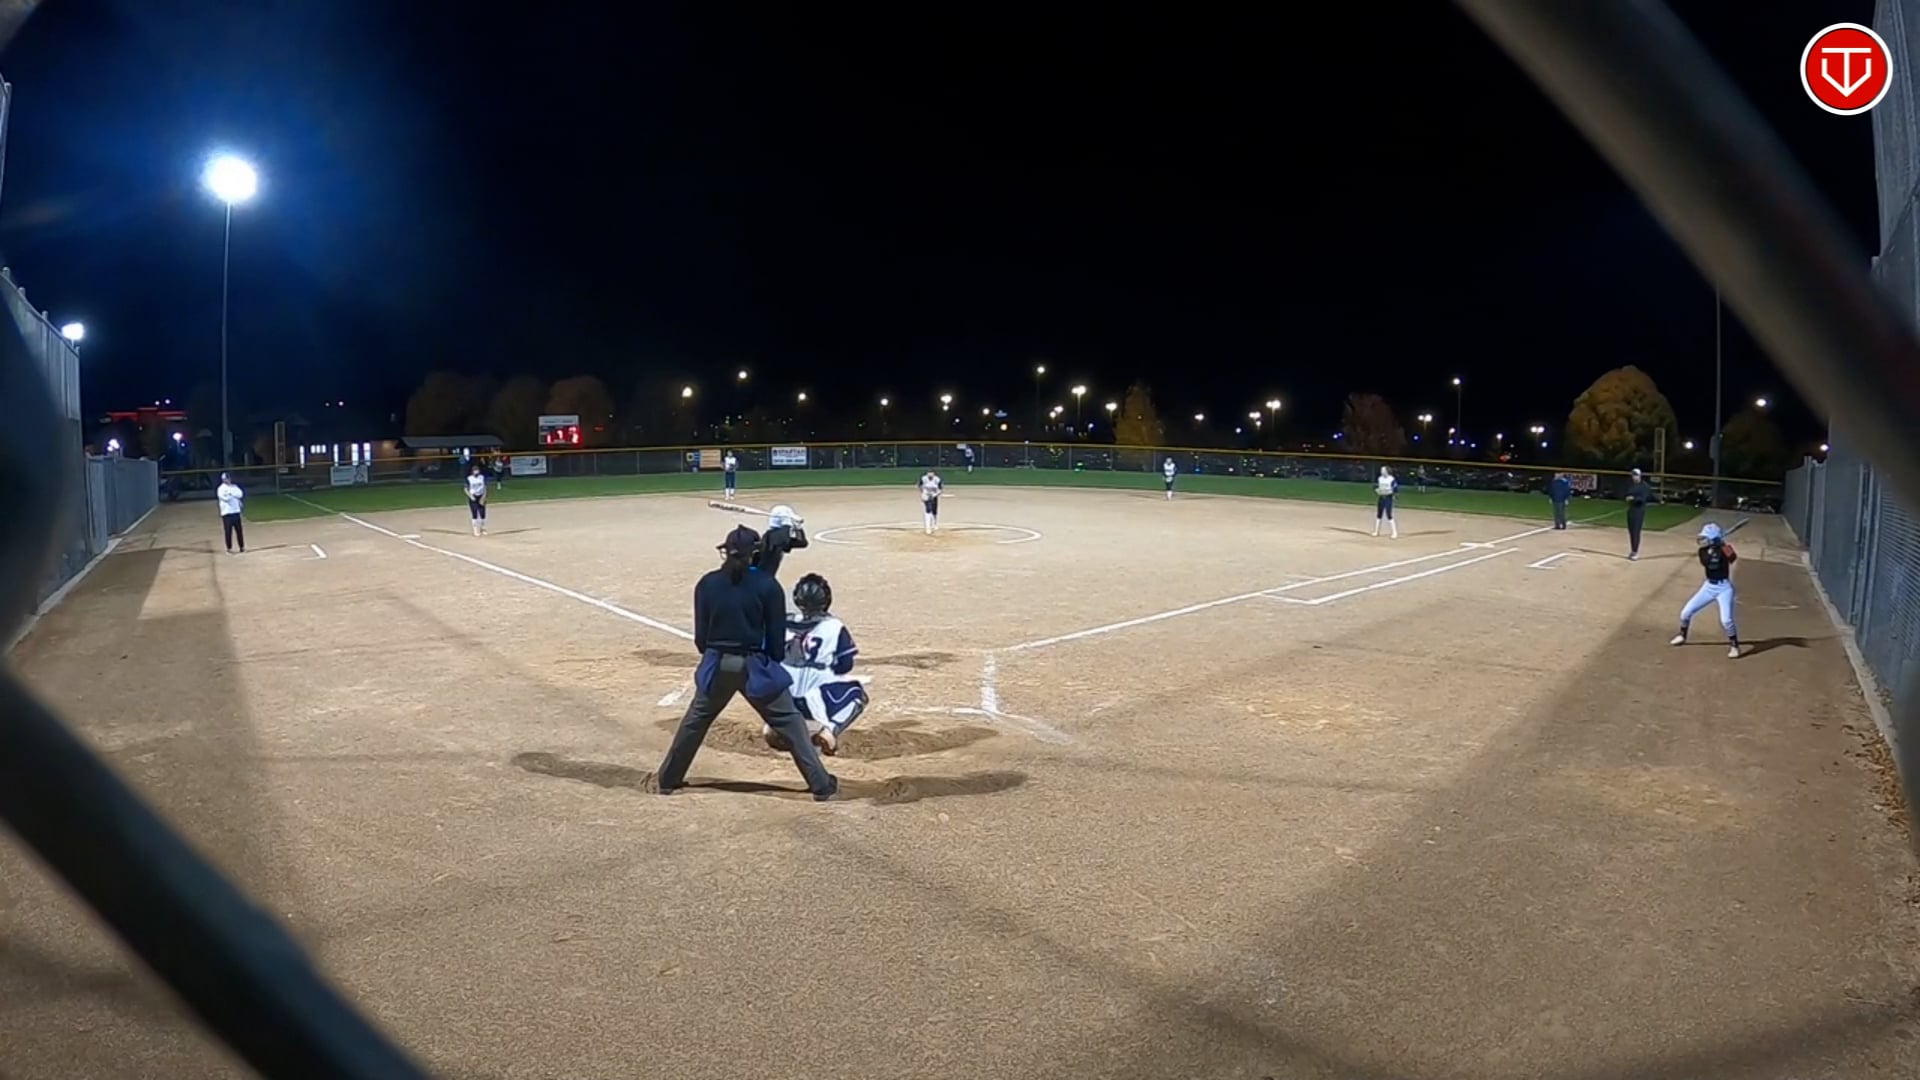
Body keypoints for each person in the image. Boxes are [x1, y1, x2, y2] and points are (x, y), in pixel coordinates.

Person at [657, 526, 838, 800]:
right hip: (755, 666)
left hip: (716, 664)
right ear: (754, 554)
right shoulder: (768, 586)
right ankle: (821, 785)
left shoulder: (707, 583)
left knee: (695, 721)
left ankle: (668, 779)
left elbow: (701, 639)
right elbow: (775, 640)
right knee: (790, 722)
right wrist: (769, 665)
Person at [763, 573, 869, 756]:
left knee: (770, 676)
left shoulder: (782, 621)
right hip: (814, 699)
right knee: (858, 694)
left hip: (782, 696)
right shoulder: (834, 626)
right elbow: (845, 665)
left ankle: (772, 725)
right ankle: (830, 731)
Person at [1671, 522, 1742, 658]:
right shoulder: (1703, 551)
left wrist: (1723, 546)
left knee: (1726, 620)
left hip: (1724, 589)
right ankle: (1682, 635)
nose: (1702, 540)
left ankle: (1735, 646)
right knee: (1686, 612)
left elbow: (1733, 558)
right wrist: (1715, 550)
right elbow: (1710, 564)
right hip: (1708, 587)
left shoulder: (1724, 549)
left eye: (1706, 537)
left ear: (1713, 539)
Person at [753, 504, 808, 581]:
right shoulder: (772, 536)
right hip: (758, 578)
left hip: (766, 577)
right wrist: (787, 523)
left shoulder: (778, 538)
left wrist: (798, 527)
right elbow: (783, 536)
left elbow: (802, 543)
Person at [1624, 467, 1652, 560]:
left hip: (1639, 510)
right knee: (1631, 531)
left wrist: (1633, 498)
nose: (1634, 477)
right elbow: (1626, 494)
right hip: (1631, 509)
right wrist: (1627, 497)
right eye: (1633, 475)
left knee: (1636, 531)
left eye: (1636, 475)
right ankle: (1633, 550)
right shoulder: (1631, 485)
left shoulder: (1644, 486)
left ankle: (1635, 552)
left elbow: (1643, 499)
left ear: (1640, 476)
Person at [215, 472, 246, 555]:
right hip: (227, 513)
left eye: (228, 478)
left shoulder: (234, 486)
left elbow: (240, 494)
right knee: (228, 531)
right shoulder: (221, 488)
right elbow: (225, 498)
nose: (227, 480)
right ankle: (229, 548)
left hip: (236, 511)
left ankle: (242, 547)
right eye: (225, 478)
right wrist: (233, 495)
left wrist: (231, 494)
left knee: (239, 531)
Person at [1372, 465, 1399, 539]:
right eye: (1381, 470)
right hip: (1381, 497)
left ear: (1387, 471)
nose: (1381, 471)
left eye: (1383, 470)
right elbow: (1375, 486)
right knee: (1379, 514)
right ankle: (1376, 531)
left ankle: (1394, 532)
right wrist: (1376, 490)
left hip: (1388, 498)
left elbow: (1395, 488)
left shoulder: (1391, 479)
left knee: (1389, 514)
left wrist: (1394, 495)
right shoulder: (1380, 478)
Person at [465, 463, 490, 536]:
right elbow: (465, 489)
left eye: (477, 470)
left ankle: (483, 528)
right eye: (475, 470)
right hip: (473, 496)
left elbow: (485, 487)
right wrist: (470, 496)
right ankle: (475, 529)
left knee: (483, 513)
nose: (476, 471)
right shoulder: (469, 478)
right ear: (472, 471)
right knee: (474, 513)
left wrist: (484, 497)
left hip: (481, 496)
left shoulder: (482, 477)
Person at [919, 469, 944, 534]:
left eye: (931, 473)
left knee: (934, 511)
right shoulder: (923, 478)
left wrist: (935, 495)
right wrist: (923, 493)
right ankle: (928, 527)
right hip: (926, 495)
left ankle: (935, 523)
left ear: (934, 474)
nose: (930, 474)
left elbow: (941, 490)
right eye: (929, 473)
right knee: (928, 509)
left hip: (934, 496)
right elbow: (920, 486)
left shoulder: (937, 479)